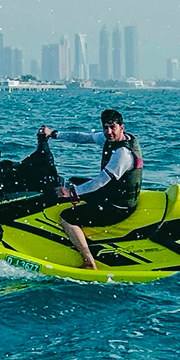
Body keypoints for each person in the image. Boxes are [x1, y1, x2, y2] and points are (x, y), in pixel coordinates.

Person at [38, 109, 143, 270]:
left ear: (121, 127)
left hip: (118, 207)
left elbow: (101, 181)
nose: (108, 132)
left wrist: (73, 193)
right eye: (105, 127)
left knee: (67, 217)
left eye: (112, 127)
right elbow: (83, 138)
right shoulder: (112, 139)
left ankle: (89, 261)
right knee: (73, 182)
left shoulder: (123, 154)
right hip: (113, 193)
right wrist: (54, 134)